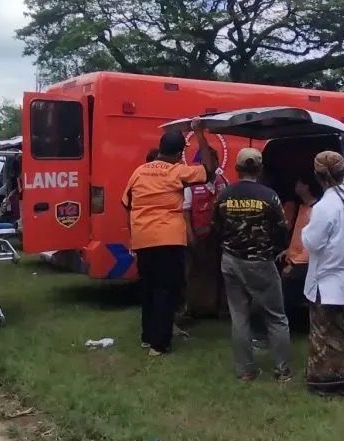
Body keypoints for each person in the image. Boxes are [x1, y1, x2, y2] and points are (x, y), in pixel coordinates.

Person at [121, 125, 216, 357]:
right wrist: (201, 135)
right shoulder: (177, 172)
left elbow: (126, 202)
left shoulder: (139, 171)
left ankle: (147, 337)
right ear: (178, 153)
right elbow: (209, 171)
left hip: (143, 239)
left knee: (149, 289)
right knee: (167, 290)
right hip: (168, 238)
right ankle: (159, 344)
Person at [211, 148, 292, 382]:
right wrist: (275, 250)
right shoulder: (269, 196)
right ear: (260, 168)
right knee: (276, 316)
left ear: (237, 169)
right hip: (261, 263)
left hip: (231, 262)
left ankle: (245, 371)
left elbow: (215, 227)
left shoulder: (224, 195)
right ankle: (282, 370)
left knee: (239, 317)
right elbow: (281, 229)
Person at [301, 151, 344, 397]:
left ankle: (326, 383)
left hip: (326, 280)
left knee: (322, 335)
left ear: (318, 176)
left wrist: (306, 227)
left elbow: (313, 243)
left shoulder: (323, 207)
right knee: (338, 331)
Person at [182, 149, 229, 319]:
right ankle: (194, 308)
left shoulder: (222, 181)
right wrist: (190, 235)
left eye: (213, 160)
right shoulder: (191, 185)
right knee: (195, 272)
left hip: (217, 235)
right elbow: (185, 212)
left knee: (218, 271)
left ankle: (219, 308)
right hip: (198, 234)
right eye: (206, 161)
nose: (210, 164)